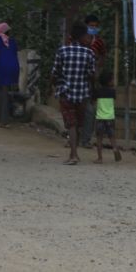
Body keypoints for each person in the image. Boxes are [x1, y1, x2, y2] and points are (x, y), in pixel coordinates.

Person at [50, 22, 96, 165]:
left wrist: (52, 86)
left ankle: (74, 155)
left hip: (66, 93)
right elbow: (92, 75)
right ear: (82, 37)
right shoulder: (89, 53)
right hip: (82, 94)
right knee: (78, 124)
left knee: (71, 125)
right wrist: (91, 90)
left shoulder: (62, 51)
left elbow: (54, 73)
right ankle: (74, 153)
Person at [81, 14, 107, 148]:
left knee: (90, 110)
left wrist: (98, 72)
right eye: (91, 26)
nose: (93, 28)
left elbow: (103, 57)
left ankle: (85, 139)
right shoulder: (77, 39)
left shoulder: (99, 42)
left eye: (95, 26)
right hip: (78, 79)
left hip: (91, 79)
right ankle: (74, 137)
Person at [93, 70, 121, 164]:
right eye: (112, 80)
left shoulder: (98, 91)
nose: (113, 81)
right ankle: (115, 149)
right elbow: (114, 101)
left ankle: (100, 158)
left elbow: (93, 101)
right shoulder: (112, 92)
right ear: (109, 81)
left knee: (99, 138)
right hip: (110, 117)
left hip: (100, 117)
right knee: (112, 136)